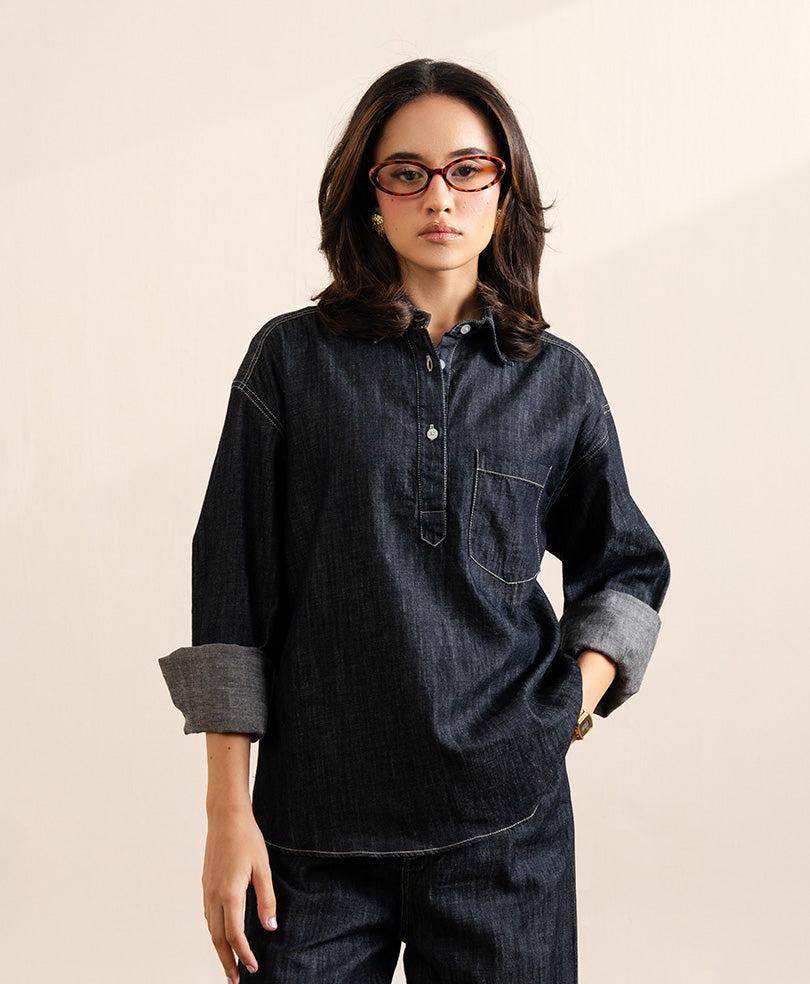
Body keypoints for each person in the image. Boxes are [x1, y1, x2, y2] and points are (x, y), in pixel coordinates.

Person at [159, 58, 670, 984]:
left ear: (505, 192)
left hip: (506, 834)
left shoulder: (558, 383)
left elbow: (625, 567)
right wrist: (226, 816)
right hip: (309, 841)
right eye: (407, 172)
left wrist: (572, 706)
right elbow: (231, 586)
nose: (440, 196)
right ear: (369, 196)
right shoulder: (290, 363)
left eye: (468, 170)